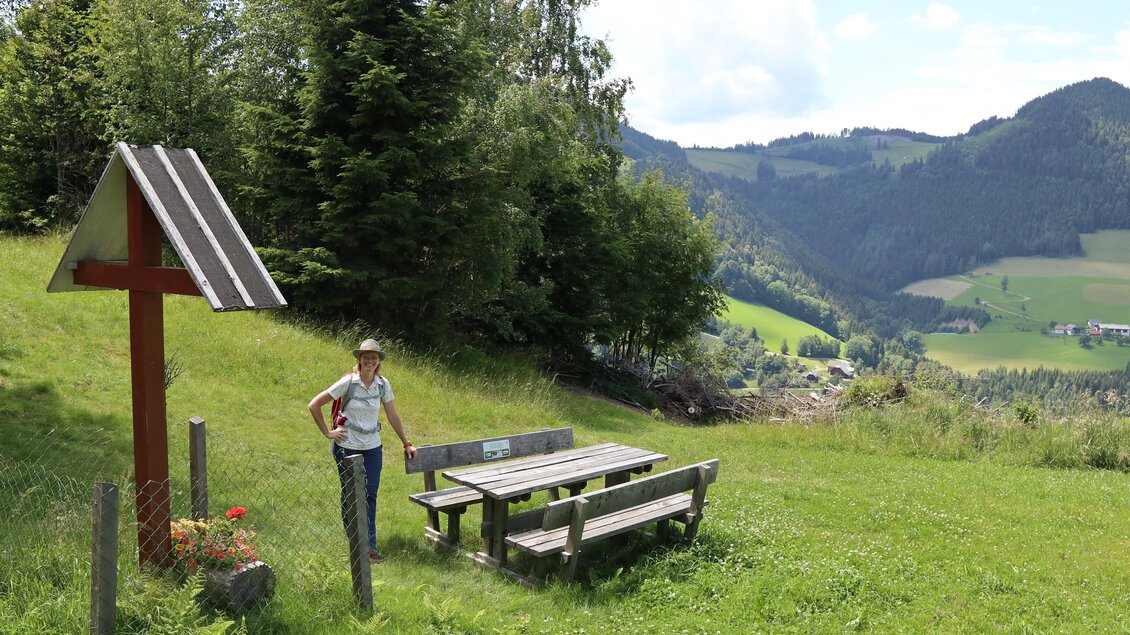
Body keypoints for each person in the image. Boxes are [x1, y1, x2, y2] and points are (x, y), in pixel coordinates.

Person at [308, 338, 417, 562]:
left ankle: (369, 546)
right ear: (359, 359)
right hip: (347, 447)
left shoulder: (382, 385)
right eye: (366, 357)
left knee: (370, 494)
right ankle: (355, 541)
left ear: (379, 361)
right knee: (350, 494)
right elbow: (314, 404)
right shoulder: (348, 382)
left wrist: (406, 443)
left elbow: (392, 414)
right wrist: (328, 433)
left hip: (372, 447)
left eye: (374, 358)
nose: (370, 361)